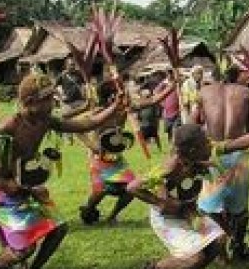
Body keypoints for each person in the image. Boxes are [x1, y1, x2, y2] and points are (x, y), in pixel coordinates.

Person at [0, 73, 121, 269]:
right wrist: (3, 183)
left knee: (59, 228)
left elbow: (85, 124)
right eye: (47, 99)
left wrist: (115, 107)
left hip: (27, 187)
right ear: (31, 102)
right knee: (23, 250)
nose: (52, 104)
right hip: (3, 191)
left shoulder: (45, 120)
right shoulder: (10, 125)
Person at [128, 117, 249, 269]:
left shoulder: (200, 154)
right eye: (205, 143)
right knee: (195, 258)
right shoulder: (170, 167)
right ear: (193, 149)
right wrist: (160, 202)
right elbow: (132, 187)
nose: (209, 144)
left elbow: (238, 144)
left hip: (188, 212)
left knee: (219, 240)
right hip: (168, 220)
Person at [69, 77, 175, 226]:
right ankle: (88, 209)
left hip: (116, 159)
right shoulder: (98, 113)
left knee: (131, 188)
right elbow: (76, 127)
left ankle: (112, 216)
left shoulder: (125, 108)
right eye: (120, 93)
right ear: (111, 97)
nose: (125, 95)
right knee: (100, 190)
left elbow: (153, 100)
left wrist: (172, 86)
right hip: (98, 159)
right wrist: (92, 146)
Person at [193, 64, 249, 260]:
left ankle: (220, 252)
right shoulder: (246, 93)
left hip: (212, 153)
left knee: (211, 206)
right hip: (237, 151)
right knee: (239, 207)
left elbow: (193, 123)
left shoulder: (203, 92)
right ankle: (238, 246)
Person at [137, 87, 163, 152]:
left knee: (155, 136)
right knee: (144, 139)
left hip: (152, 124)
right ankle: (146, 150)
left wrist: (156, 122)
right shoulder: (140, 103)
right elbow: (138, 114)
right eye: (146, 96)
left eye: (148, 95)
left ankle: (159, 149)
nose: (147, 96)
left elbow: (157, 114)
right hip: (144, 124)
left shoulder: (153, 102)